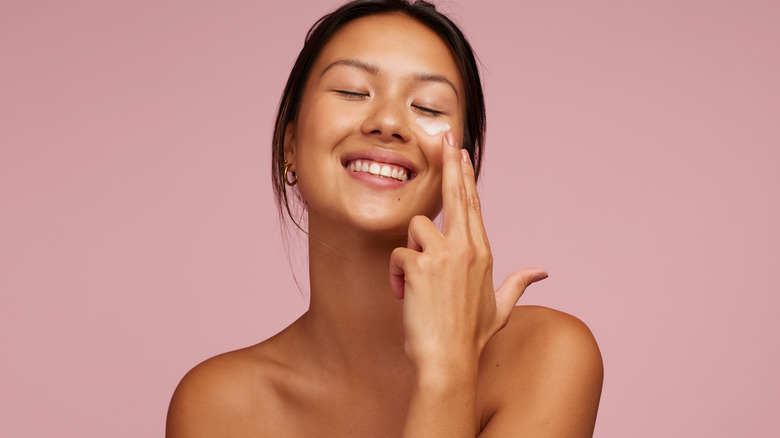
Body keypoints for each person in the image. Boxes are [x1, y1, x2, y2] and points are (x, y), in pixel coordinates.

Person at [166, 0, 603, 436]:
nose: (389, 122)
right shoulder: (217, 406)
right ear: (290, 144)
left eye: (429, 107)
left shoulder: (545, 354)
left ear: (461, 163)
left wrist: (447, 369)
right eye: (353, 91)